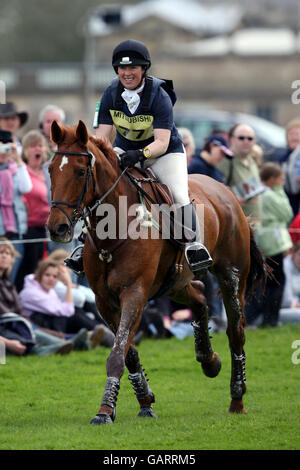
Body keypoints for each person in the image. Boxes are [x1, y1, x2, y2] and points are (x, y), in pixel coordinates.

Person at [65, 39, 212, 277]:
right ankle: (82, 246)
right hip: (125, 151)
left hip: (163, 153)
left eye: (132, 68)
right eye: (122, 69)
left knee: (178, 194)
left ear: (143, 69)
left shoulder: (159, 95)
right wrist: (99, 155)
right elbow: (101, 136)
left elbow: (162, 142)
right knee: (95, 186)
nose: (127, 73)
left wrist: (139, 154)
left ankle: (194, 246)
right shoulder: (110, 94)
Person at [0, 237, 75, 357]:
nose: (4, 256)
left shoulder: (9, 285)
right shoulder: (30, 290)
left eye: (7, 253)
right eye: (1, 252)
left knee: (34, 328)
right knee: (33, 330)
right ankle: (66, 343)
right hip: (8, 326)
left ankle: (71, 341)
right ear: (40, 275)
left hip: (20, 323)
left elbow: (20, 312)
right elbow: (7, 314)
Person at [19, 258, 114, 348]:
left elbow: (91, 297)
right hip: (44, 327)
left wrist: (73, 286)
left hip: (54, 323)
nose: (51, 279)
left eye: (55, 276)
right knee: (75, 313)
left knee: (83, 308)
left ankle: (104, 333)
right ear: (39, 276)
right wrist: (68, 283)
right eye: (47, 275)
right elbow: (68, 310)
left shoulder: (47, 289)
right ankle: (105, 335)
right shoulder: (31, 293)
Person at [245, 163, 293, 327]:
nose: (282, 182)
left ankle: (263, 318)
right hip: (272, 241)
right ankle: (270, 319)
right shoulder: (271, 195)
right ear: (272, 179)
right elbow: (287, 212)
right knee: (276, 281)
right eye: (281, 179)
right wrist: (280, 191)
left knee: (267, 280)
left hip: (266, 239)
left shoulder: (257, 192)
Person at [15, 130, 50, 291]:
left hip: (48, 229)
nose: (37, 149)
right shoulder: (22, 172)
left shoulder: (48, 172)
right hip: (29, 230)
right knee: (29, 271)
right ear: (25, 151)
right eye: (33, 146)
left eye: (40, 146)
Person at [0, 128, 32, 283]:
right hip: (0, 234)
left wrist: (18, 160)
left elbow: (26, 187)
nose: (4, 151)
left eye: (7, 147)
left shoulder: (14, 168)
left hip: (14, 234)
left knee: (9, 280)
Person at [217, 123, 263, 230]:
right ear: (232, 140)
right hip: (237, 228)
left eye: (250, 138)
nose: (246, 141)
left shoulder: (252, 160)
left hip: (256, 227)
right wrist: (235, 199)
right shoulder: (226, 161)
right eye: (241, 138)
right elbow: (216, 194)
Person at [279, 118, 300, 216]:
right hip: (288, 200)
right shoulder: (283, 157)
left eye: (297, 134)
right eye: (291, 134)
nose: (294, 138)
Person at [279, 242, 300, 324]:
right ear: (293, 253)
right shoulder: (285, 266)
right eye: (299, 255)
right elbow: (286, 301)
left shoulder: (297, 268)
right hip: (279, 309)